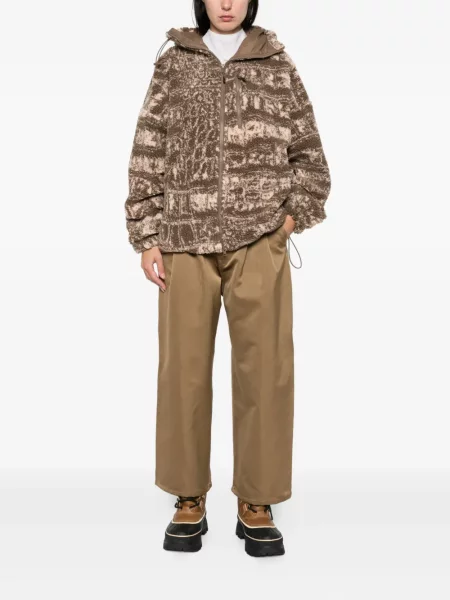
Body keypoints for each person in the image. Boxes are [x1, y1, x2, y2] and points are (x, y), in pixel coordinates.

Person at [124, 0, 331, 558]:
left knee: (266, 372)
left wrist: (288, 221)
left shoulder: (276, 63)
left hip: (258, 238)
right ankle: (188, 496)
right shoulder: (175, 62)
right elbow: (149, 145)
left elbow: (309, 155)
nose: (225, 3)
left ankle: (257, 502)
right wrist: (146, 234)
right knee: (183, 373)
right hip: (184, 238)